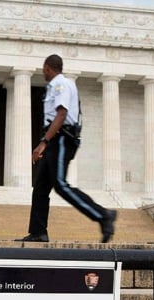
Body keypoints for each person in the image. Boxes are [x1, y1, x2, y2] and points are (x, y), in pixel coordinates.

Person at [16, 54, 117, 243]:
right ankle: (38, 232)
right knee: (40, 188)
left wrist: (44, 142)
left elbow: (62, 114)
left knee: (61, 185)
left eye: (44, 69)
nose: (43, 72)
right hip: (55, 137)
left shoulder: (60, 84)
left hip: (61, 137)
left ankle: (103, 215)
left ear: (48, 68)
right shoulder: (56, 85)